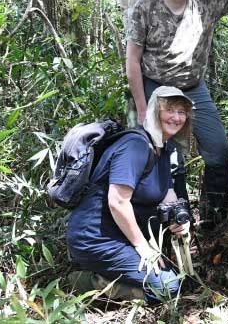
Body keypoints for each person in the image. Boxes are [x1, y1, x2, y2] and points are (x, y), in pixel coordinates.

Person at [125, 0, 228, 226]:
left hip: (194, 89)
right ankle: (177, 223)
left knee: (219, 152)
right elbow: (132, 62)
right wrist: (144, 109)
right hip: (157, 88)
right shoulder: (144, 9)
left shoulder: (204, 0)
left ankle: (212, 218)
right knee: (169, 160)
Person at [66, 86, 194, 303]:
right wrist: (142, 247)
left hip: (120, 234)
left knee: (182, 279)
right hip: (96, 238)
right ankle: (85, 282)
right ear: (155, 111)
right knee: (169, 287)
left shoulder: (162, 147)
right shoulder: (135, 145)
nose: (176, 117)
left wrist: (180, 219)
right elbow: (117, 201)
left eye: (181, 112)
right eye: (170, 110)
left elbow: (167, 193)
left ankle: (116, 273)